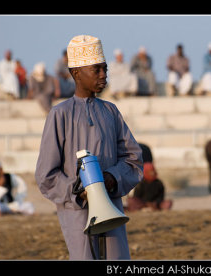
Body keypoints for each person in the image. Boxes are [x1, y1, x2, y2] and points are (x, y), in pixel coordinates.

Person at [35, 35, 143, 260]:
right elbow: (47, 175)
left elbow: (133, 159)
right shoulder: (60, 114)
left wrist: (111, 178)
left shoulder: (111, 111)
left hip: (111, 207)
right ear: (76, 73)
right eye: (96, 70)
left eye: (105, 69)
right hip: (76, 211)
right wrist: (79, 189)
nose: (104, 75)